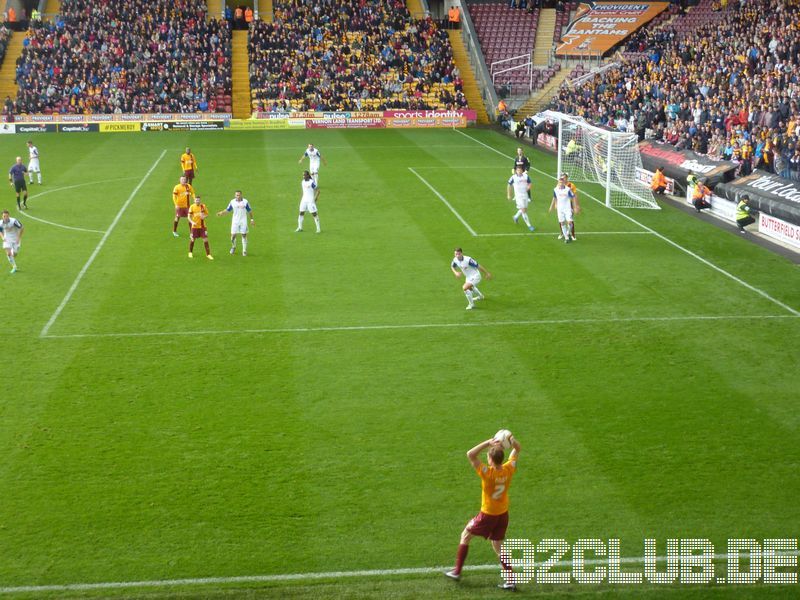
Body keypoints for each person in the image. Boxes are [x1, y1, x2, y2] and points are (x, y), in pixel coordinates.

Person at [445, 432, 521, 590]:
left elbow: (470, 454)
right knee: (498, 546)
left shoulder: (487, 474)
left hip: (487, 515)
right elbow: (518, 449)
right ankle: (511, 580)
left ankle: (457, 571)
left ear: (490, 460)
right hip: (503, 514)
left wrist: (487, 442)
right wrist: (511, 440)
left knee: (465, 535)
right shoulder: (509, 469)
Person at [217, 190, 254, 256]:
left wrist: (252, 220)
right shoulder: (232, 202)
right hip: (235, 221)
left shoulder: (245, 202)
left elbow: (250, 211)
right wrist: (221, 213)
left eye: (239, 195)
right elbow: (228, 210)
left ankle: (244, 251)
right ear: (235, 195)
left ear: (241, 195)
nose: (238, 196)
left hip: (243, 221)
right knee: (233, 235)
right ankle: (233, 247)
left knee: (244, 235)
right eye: (237, 195)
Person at [549, 175, 576, 243]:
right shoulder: (555, 189)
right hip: (560, 209)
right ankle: (566, 238)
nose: (560, 184)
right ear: (558, 183)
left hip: (567, 208)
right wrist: (552, 206)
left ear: (564, 183)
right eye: (559, 182)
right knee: (562, 223)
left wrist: (575, 207)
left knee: (570, 222)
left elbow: (573, 197)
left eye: (561, 182)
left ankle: (567, 233)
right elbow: (555, 198)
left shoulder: (568, 190)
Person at [507, 165, 535, 232]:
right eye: (517, 170)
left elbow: (530, 183)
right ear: (516, 171)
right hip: (518, 197)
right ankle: (529, 225)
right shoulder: (513, 177)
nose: (519, 171)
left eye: (520, 170)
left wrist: (528, 187)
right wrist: (509, 195)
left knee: (524, 209)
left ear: (522, 170)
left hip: (525, 195)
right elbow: (509, 185)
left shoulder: (526, 176)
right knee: (523, 211)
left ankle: (515, 217)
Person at [0, 209, 23, 273]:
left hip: (16, 238)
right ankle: (14, 266)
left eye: (7, 216)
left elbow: (22, 228)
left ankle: (13, 252)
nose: (5, 217)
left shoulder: (14, 221)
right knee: (8, 253)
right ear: (2, 216)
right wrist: (2, 237)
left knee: (14, 254)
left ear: (9, 216)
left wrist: (19, 237)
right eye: (4, 216)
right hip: (7, 238)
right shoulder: (0, 223)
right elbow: (0, 231)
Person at [561, 172, 580, 240]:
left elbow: (575, 196)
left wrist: (576, 206)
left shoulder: (571, 185)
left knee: (570, 220)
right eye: (562, 178)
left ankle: (572, 234)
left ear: (567, 178)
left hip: (570, 204)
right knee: (562, 220)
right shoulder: (559, 185)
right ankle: (562, 233)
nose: (563, 179)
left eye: (564, 178)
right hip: (562, 204)